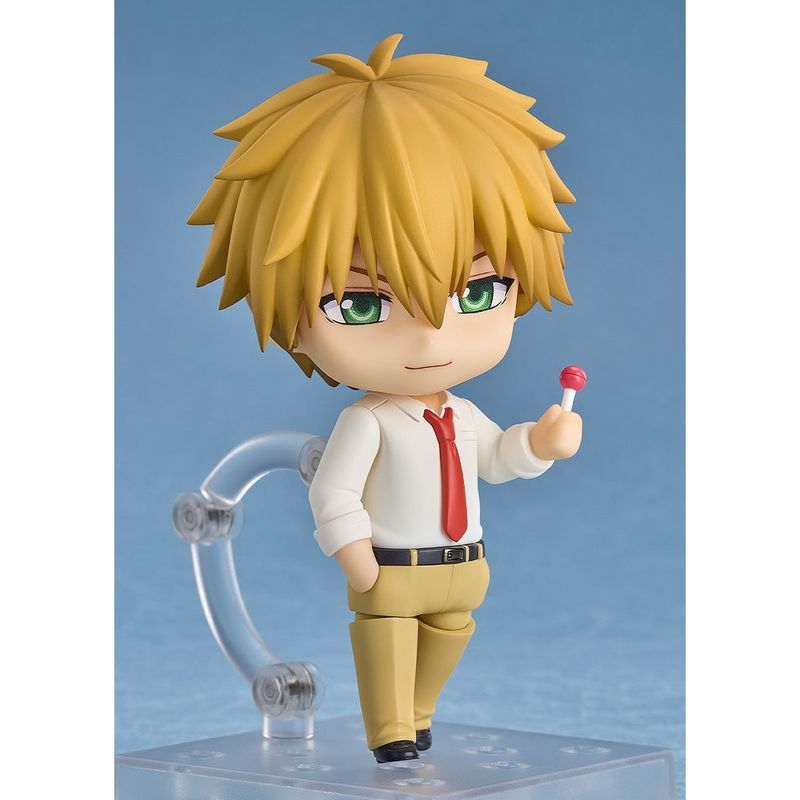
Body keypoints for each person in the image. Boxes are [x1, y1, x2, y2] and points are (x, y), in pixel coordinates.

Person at [190, 33, 582, 763]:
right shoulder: (367, 420)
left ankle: (420, 712)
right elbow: (334, 490)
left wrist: (539, 443)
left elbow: (493, 458)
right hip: (393, 562)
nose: (430, 334)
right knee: (388, 641)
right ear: (294, 318)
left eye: (478, 292)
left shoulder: (458, 414)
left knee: (453, 631)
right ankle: (391, 731)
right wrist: (355, 556)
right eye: (362, 305)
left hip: (463, 561)